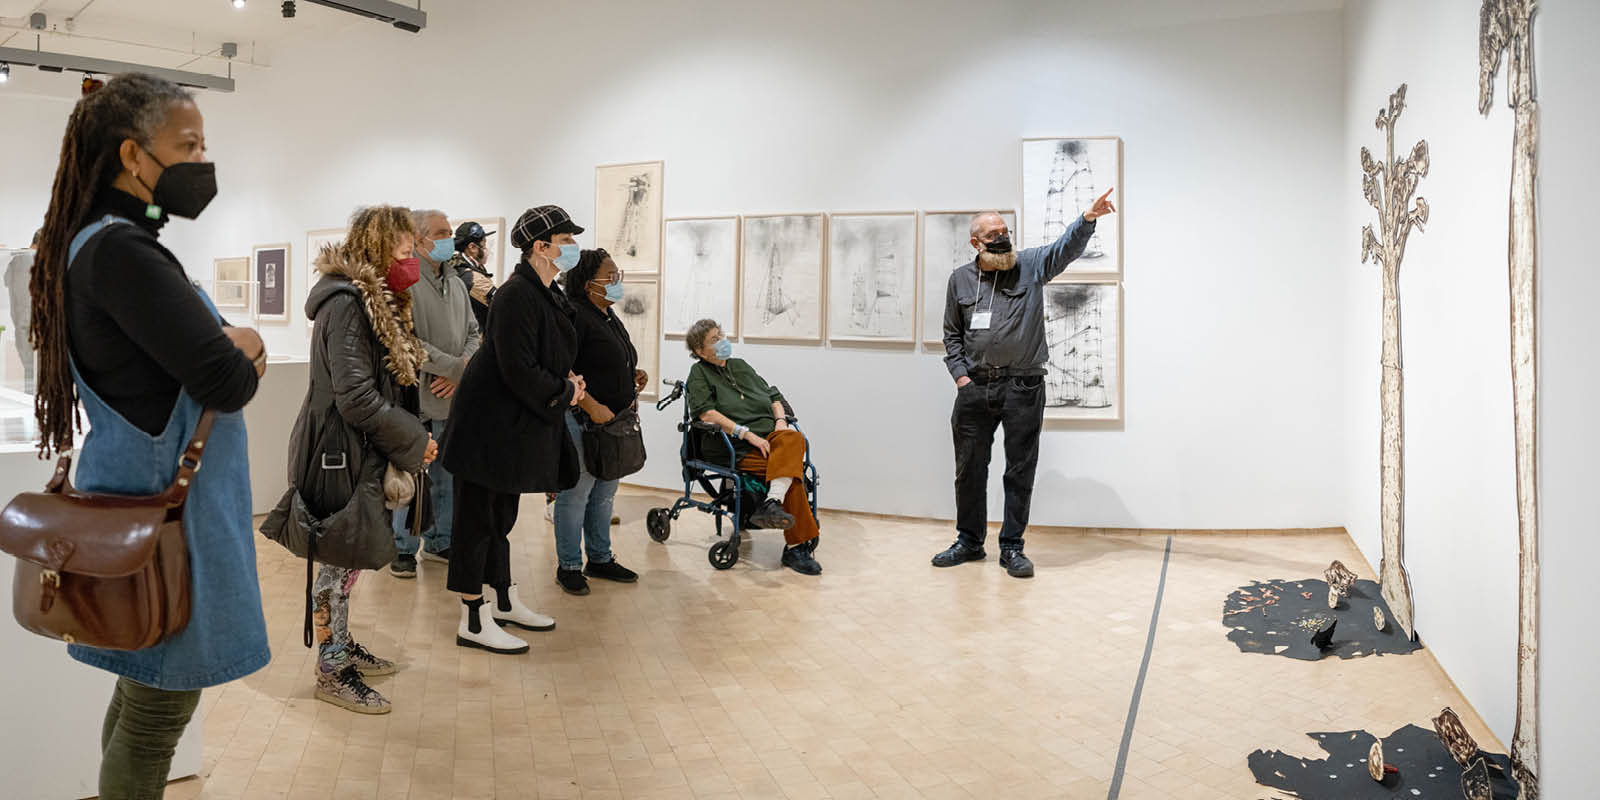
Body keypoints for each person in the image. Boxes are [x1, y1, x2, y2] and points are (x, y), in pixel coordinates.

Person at [29, 72, 270, 798]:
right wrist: (249, 341)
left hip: (146, 495)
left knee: (142, 691)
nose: (202, 159)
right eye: (187, 144)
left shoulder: (90, 245)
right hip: (174, 512)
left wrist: (233, 346)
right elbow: (227, 379)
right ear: (135, 157)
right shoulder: (124, 252)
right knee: (157, 713)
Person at [933, 189, 1118, 578]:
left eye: (1005, 230)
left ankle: (1012, 547)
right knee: (969, 469)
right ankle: (969, 541)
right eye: (992, 233)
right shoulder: (960, 280)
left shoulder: (1031, 265)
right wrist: (962, 378)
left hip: (1023, 387)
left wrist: (1086, 219)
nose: (1002, 237)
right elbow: (951, 335)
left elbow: (1063, 249)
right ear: (975, 242)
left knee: (1019, 470)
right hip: (975, 389)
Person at [300, 204, 436, 713]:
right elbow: (355, 394)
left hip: (359, 450)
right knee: (339, 560)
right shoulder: (348, 306)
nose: (412, 260)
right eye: (404, 250)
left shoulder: (372, 302)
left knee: (349, 558)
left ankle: (342, 644)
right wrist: (413, 439)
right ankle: (332, 668)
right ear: (379, 249)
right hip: (340, 453)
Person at [440, 205, 585, 653]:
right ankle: (472, 617)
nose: (572, 248)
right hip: (486, 429)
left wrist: (568, 383)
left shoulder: (546, 291)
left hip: (509, 428)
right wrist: (566, 391)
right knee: (476, 522)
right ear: (540, 247)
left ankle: (501, 598)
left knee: (500, 519)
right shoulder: (516, 295)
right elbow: (519, 368)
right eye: (565, 241)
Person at [684, 319, 822, 575]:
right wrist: (747, 435)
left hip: (771, 439)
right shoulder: (699, 374)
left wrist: (780, 421)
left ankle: (771, 501)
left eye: (722, 335)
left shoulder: (741, 366)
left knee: (794, 439)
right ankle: (797, 548)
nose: (723, 341)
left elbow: (773, 396)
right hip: (732, 445)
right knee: (792, 473)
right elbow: (706, 414)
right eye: (714, 340)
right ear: (700, 351)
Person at [388, 209, 480, 578]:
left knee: (447, 475)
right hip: (418, 396)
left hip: (454, 396)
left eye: (450, 232)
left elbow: (474, 333)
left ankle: (441, 540)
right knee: (416, 475)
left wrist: (462, 369)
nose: (449, 238)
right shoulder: (405, 284)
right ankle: (403, 548)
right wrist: (453, 367)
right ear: (420, 239)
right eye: (441, 233)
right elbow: (406, 341)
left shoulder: (457, 284)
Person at [552, 248, 647, 595]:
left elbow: (611, 357)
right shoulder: (575, 315)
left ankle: (600, 557)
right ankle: (569, 566)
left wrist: (633, 373)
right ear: (588, 283)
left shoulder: (607, 315)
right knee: (577, 493)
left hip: (614, 421)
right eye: (610, 276)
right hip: (584, 419)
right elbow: (563, 367)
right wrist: (590, 405)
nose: (617, 281)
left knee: (604, 492)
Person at [5, 229, 39, 391]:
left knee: (29, 370)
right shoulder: (32, 260)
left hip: (20, 321)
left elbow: (6, 281)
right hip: (31, 321)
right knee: (32, 370)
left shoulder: (15, 259)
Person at [446, 220, 496, 331]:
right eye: (484, 245)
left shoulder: (454, 268)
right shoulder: (471, 277)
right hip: (476, 340)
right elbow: (502, 303)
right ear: (472, 247)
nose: (487, 250)